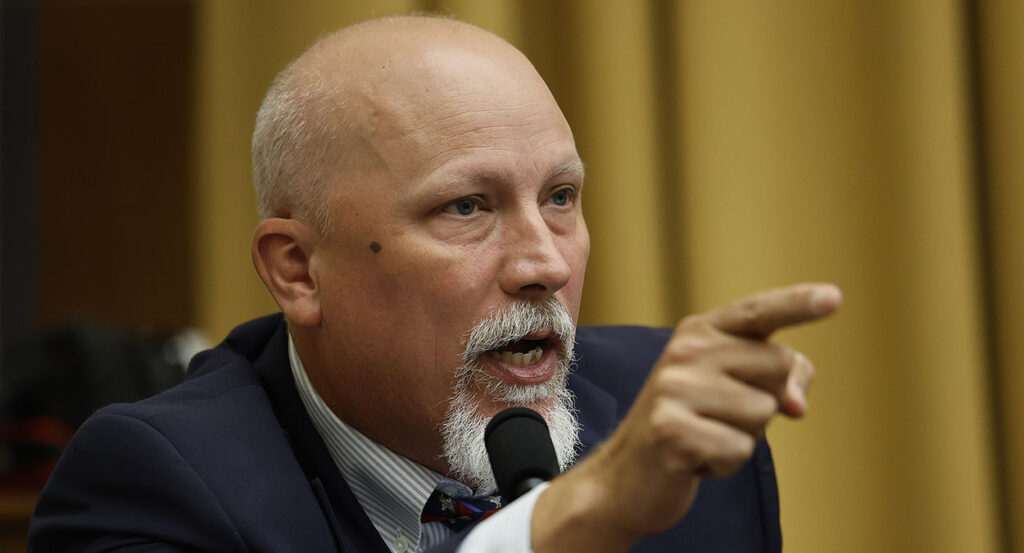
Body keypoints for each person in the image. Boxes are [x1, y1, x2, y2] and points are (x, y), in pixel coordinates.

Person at [29, 15, 840, 553]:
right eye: (467, 207)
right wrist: (559, 524)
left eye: (560, 197)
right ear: (298, 270)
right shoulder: (159, 482)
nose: (546, 263)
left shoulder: (665, 423)